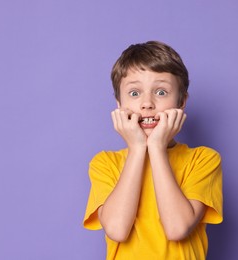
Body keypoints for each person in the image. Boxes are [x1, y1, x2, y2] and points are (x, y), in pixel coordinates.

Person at [83, 41, 223, 259]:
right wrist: (138, 149)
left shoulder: (203, 159)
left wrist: (156, 148)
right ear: (119, 103)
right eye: (135, 93)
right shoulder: (105, 163)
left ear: (181, 101)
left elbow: (177, 229)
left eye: (160, 91)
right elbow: (117, 230)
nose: (147, 103)